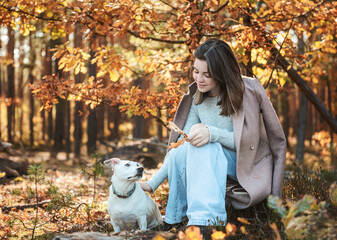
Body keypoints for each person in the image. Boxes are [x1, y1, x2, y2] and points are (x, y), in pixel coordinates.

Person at [140, 39, 286, 236]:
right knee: (186, 146)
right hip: (210, 161)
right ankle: (173, 219)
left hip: (244, 163)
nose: (199, 79)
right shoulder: (197, 98)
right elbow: (182, 145)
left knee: (206, 145)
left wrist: (212, 133)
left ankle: (205, 222)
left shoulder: (247, 92)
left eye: (206, 74)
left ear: (221, 73)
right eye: (196, 71)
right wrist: (153, 183)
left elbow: (251, 142)